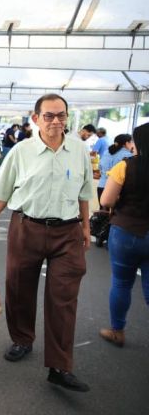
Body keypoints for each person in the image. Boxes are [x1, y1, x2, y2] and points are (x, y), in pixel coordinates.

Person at [0, 93, 93, 392]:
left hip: (67, 232)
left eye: (61, 115)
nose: (56, 121)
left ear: (68, 116)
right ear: (36, 118)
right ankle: (22, 339)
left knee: (63, 297)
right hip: (26, 227)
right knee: (19, 286)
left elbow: (84, 192)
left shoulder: (79, 150)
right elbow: (1, 192)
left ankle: (59, 366)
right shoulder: (20, 152)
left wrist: (86, 226)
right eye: (49, 116)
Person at [98, 123, 149, 347]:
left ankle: (117, 331)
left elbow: (106, 201)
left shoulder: (125, 166)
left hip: (125, 231)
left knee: (121, 283)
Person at [97, 133, 133, 204]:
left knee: (102, 213)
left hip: (101, 186)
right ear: (127, 143)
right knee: (115, 213)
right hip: (116, 189)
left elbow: (100, 167)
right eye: (131, 142)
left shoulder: (106, 152)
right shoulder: (129, 155)